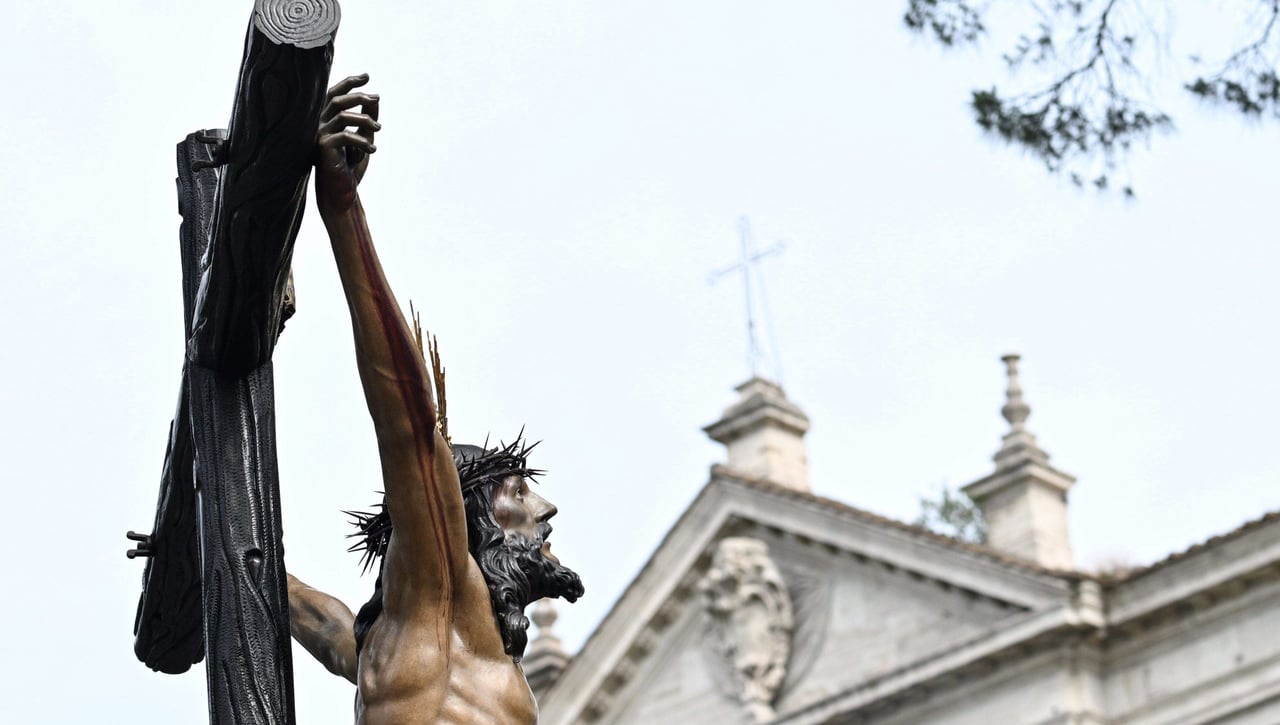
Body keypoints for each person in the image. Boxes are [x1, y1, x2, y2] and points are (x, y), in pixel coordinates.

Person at [285, 74, 584, 725]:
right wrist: (342, 210)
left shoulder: (402, 648)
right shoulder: (440, 591)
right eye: (518, 492)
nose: (545, 508)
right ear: (452, 512)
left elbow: (317, 618)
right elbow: (409, 425)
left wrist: (216, 548)